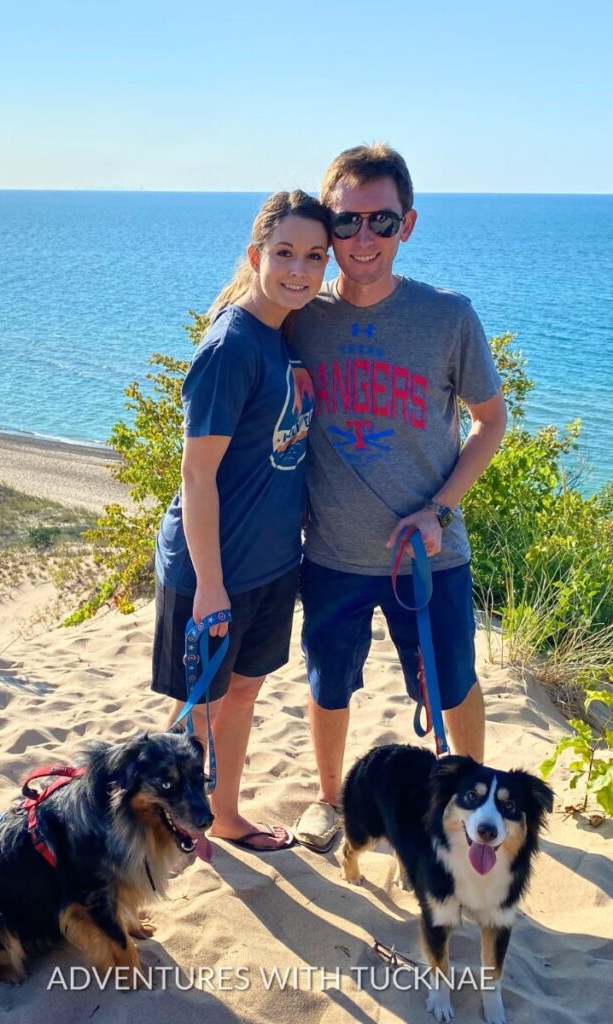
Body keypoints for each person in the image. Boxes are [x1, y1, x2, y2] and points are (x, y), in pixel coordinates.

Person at [290, 144, 507, 853]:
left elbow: (490, 420)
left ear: (406, 225)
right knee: (329, 685)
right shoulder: (301, 317)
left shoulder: (447, 318)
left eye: (379, 221)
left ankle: (471, 798)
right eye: (345, 221)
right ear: (327, 224)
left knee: (448, 686)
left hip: (430, 554)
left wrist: (437, 510)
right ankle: (329, 801)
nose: (361, 239)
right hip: (331, 553)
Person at [152, 190, 330, 852]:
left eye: (314, 256)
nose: (299, 269)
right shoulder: (231, 345)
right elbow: (196, 476)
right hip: (215, 569)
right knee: (194, 712)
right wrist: (209, 584)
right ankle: (163, 833)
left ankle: (222, 816)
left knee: (242, 696)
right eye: (283, 253)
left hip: (272, 563)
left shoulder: (283, 333)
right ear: (256, 256)